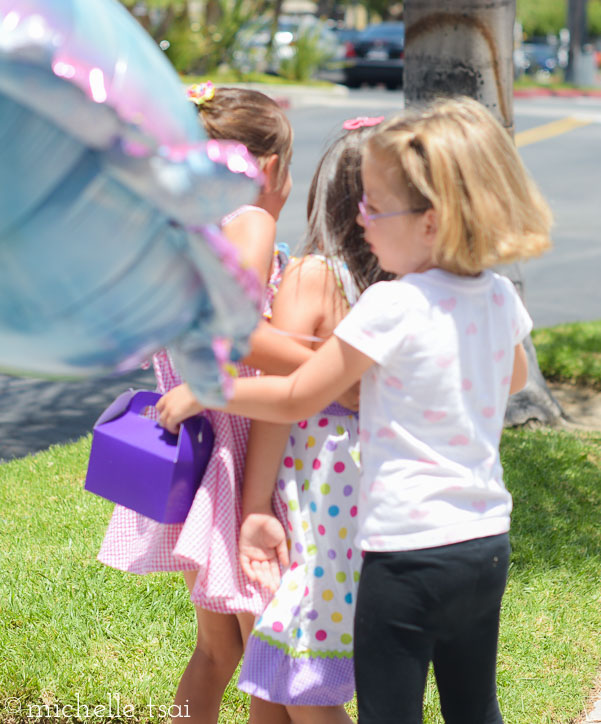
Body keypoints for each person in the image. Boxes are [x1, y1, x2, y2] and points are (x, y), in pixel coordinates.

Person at [158, 96, 553, 724]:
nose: (361, 220)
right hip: (485, 543)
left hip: (405, 551)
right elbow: (513, 376)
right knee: (475, 708)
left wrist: (210, 389)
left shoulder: (392, 306)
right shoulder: (500, 295)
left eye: (375, 206)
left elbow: (296, 396)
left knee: (387, 709)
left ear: (431, 222)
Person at [99, 82, 308, 724]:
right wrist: (209, 379)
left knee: (215, 650)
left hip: (199, 464)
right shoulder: (251, 217)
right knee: (266, 653)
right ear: (268, 167)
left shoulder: (178, 233)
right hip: (241, 465)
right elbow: (240, 309)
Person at [234, 119, 393, 724]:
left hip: (316, 489)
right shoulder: (409, 286)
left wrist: (253, 507)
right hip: (371, 487)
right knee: (275, 678)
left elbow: (286, 400)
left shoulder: (311, 277)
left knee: (302, 672)